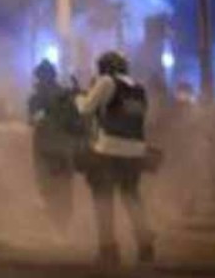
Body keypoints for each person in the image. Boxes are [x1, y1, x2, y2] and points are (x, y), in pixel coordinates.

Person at [76, 51, 154, 267]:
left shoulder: (106, 82)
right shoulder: (138, 88)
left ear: (105, 67)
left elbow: (86, 108)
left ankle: (108, 250)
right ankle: (145, 244)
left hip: (109, 149)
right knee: (131, 197)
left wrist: (79, 95)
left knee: (103, 199)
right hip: (136, 151)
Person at [27, 60, 82, 231]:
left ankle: (58, 226)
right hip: (62, 148)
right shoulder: (65, 95)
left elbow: (34, 120)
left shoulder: (36, 98)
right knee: (62, 188)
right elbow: (76, 123)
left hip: (46, 148)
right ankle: (61, 226)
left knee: (48, 187)